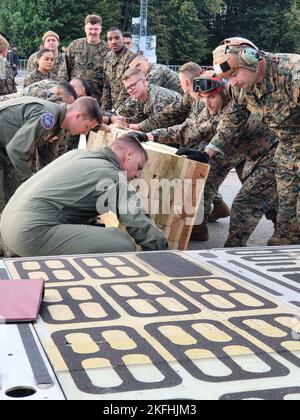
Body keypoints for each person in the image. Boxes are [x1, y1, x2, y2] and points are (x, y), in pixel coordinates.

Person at [0, 134, 169, 257]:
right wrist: (164, 256)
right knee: (121, 243)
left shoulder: (79, 155)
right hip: (27, 234)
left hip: (7, 223)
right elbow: (138, 220)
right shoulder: (111, 176)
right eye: (138, 167)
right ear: (129, 156)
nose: (137, 176)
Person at [210, 36, 300, 245]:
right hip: (286, 153)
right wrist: (209, 151)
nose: (231, 83)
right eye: (227, 78)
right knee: (287, 226)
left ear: (251, 59)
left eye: (233, 75)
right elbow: (232, 122)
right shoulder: (240, 87)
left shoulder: (292, 73)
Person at [177, 71, 278, 246]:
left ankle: (232, 250)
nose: (207, 103)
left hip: (273, 154)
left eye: (211, 97)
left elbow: (224, 132)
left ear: (223, 92)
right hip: (252, 156)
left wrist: (206, 154)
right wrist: (148, 135)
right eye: (202, 97)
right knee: (270, 200)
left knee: (246, 202)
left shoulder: (235, 106)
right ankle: (288, 233)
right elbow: (192, 129)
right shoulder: (215, 107)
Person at [67, 15, 110, 102]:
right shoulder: (75, 45)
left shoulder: (108, 49)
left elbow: (109, 78)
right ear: (85, 29)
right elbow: (66, 69)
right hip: (75, 95)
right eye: (90, 29)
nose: (93, 32)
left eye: (96, 29)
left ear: (101, 29)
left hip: (98, 97)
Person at [102, 27, 135, 111]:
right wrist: (104, 109)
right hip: (113, 106)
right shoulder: (107, 57)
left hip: (129, 107)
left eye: (117, 38)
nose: (113, 42)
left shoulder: (132, 57)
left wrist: (115, 110)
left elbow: (129, 88)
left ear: (122, 39)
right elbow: (106, 86)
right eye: (110, 39)